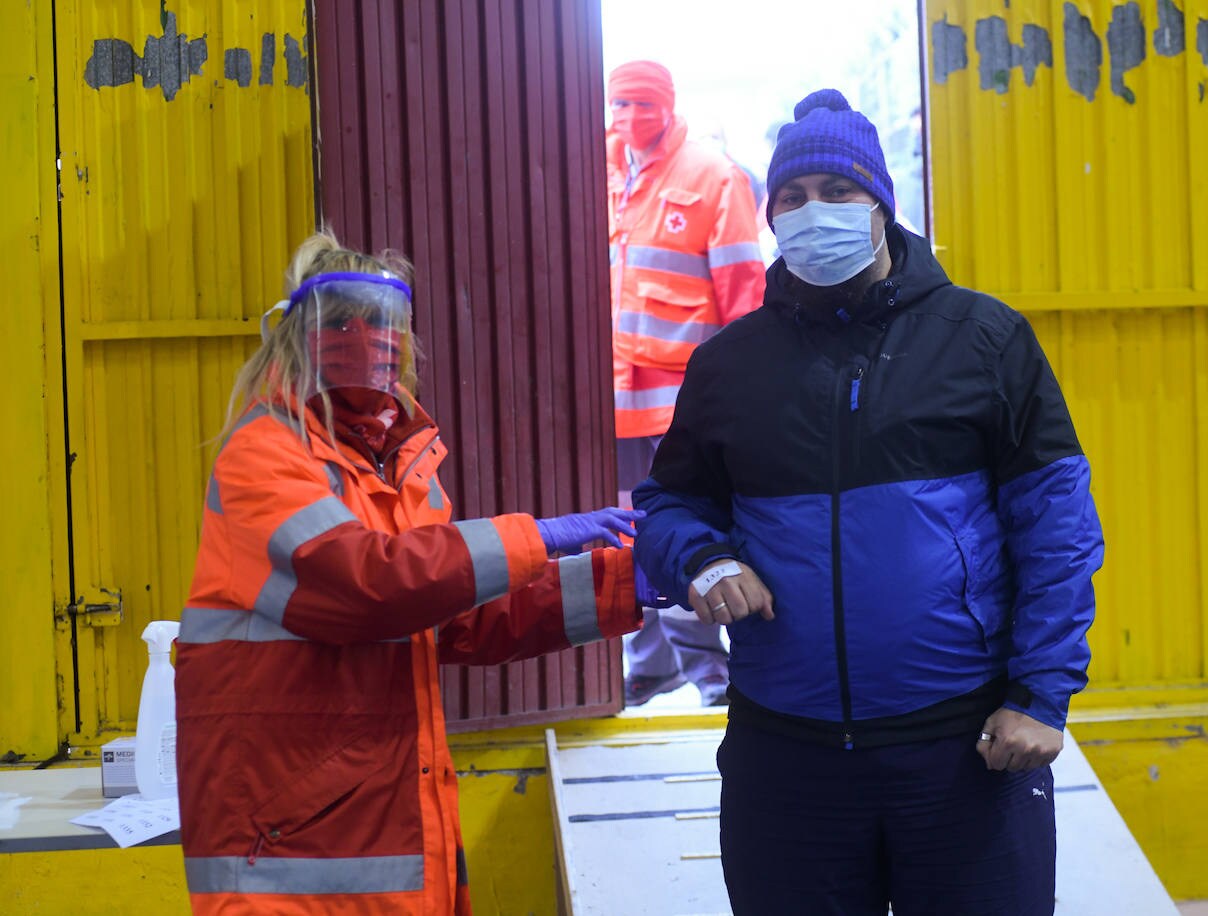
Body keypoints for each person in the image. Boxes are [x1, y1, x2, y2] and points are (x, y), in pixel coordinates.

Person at [633, 90, 1105, 915]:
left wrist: (1040, 693)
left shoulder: (984, 340)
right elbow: (668, 506)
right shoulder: (729, 367)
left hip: (963, 752)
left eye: (839, 192)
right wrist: (703, 558)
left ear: (881, 204)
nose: (815, 213)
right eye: (792, 198)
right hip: (786, 760)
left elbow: (1056, 527)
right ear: (771, 215)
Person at [174, 231, 649, 915]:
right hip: (287, 861)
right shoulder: (264, 456)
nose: (367, 341)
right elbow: (366, 585)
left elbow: (454, 613)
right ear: (297, 335)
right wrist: (535, 534)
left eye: (384, 325)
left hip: (385, 836)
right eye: (341, 322)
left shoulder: (397, 471)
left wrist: (625, 582)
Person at [606, 60, 766, 707]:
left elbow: (744, 296)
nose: (631, 118)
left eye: (644, 105)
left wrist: (750, 395)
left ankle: (711, 676)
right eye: (620, 105)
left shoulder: (712, 176)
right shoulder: (600, 171)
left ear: (669, 106)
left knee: (685, 537)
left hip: (682, 408)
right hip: (612, 402)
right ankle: (651, 664)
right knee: (626, 539)